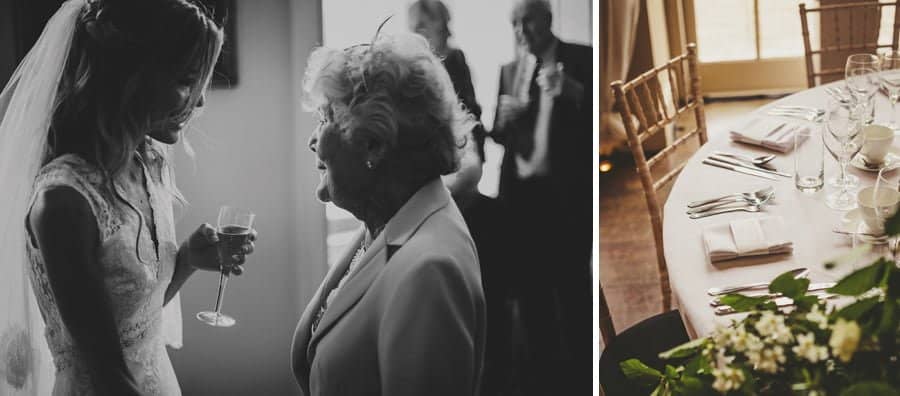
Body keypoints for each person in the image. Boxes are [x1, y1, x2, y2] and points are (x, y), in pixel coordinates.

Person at [0, 0, 257, 394]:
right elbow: (107, 374)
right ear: (132, 75)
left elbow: (133, 322)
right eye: (188, 79)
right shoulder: (64, 203)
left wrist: (187, 258)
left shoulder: (146, 164)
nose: (200, 101)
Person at [291, 31, 486, 396]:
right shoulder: (389, 219)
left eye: (325, 118)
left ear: (374, 145)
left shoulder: (429, 270)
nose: (312, 140)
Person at [407, 1, 515, 394]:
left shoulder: (455, 62)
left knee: (485, 297)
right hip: (431, 197)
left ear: (442, 24)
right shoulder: (408, 75)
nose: (420, 29)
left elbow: (470, 134)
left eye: (426, 22)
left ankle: (492, 375)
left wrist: (452, 183)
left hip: (460, 194)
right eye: (414, 24)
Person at [490, 0, 593, 394]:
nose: (521, 30)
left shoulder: (581, 58)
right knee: (531, 298)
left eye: (527, 20)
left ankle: (582, 378)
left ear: (547, 19)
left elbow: (599, 124)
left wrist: (575, 93)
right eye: (514, 23)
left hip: (564, 198)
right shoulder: (509, 70)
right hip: (520, 202)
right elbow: (498, 138)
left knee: (571, 293)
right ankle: (542, 381)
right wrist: (500, 122)